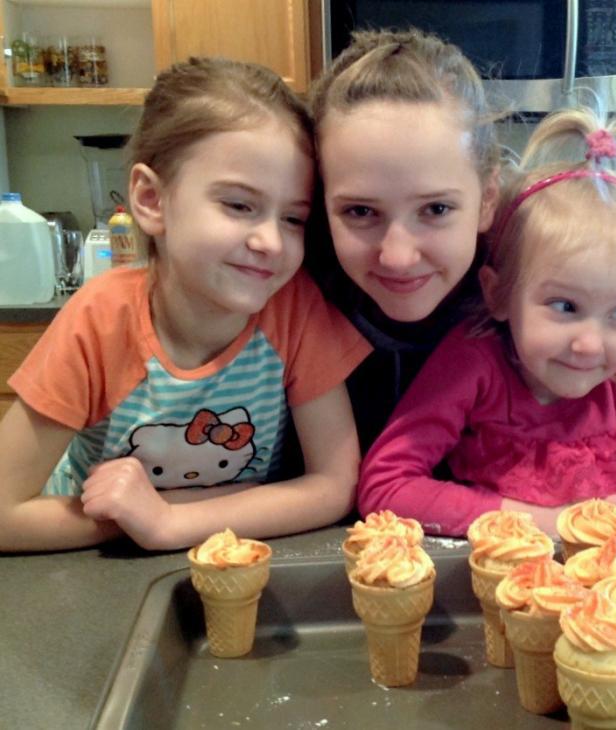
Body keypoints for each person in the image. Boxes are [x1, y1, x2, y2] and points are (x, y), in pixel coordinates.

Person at [0, 58, 370, 552]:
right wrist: (142, 520)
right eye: (239, 205)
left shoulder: (294, 308)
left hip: (228, 559)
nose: (271, 242)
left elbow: (336, 484)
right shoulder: (99, 320)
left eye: (293, 218)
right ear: (151, 200)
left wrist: (169, 521)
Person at [358, 107, 616, 537]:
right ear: (498, 294)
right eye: (565, 306)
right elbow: (385, 486)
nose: (591, 345)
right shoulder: (475, 360)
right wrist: (552, 523)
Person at [306, 28, 501, 451]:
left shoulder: (536, 300)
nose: (397, 257)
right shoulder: (291, 306)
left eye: (435, 210)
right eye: (360, 212)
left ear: (487, 199)